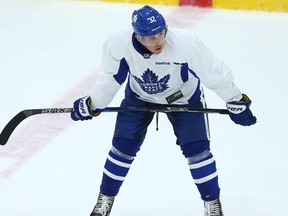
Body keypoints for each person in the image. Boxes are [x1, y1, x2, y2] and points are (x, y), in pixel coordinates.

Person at [71, 5, 256, 216]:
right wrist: (94, 103)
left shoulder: (184, 43)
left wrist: (235, 98)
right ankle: (105, 199)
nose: (159, 41)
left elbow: (214, 73)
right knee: (122, 147)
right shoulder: (118, 42)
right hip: (139, 98)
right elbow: (112, 77)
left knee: (198, 151)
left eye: (161, 33)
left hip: (184, 99)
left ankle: (212, 203)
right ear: (138, 36)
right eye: (151, 37)